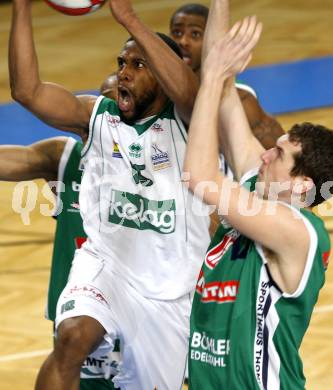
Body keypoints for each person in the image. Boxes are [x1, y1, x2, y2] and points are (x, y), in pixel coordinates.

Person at [9, 0, 210, 389]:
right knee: (72, 338)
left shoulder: (190, 122)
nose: (123, 74)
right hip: (106, 264)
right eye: (121, 63)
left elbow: (189, 91)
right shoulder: (97, 116)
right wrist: (21, 7)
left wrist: (129, 18)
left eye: (138, 65)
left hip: (168, 289)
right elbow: (27, 91)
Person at [183, 2, 333, 388]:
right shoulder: (258, 192)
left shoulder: (298, 230)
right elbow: (225, 89)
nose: (264, 154)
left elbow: (201, 179)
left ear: (302, 184)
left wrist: (209, 80)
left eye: (279, 154)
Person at [0, 74, 119, 389]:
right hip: (78, 308)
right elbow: (11, 160)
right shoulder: (66, 157)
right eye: (98, 104)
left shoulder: (158, 163)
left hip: (133, 308)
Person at [169, 3, 284, 150]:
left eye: (195, 34)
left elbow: (283, 157)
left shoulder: (241, 101)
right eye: (177, 33)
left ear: (212, 41)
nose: (183, 41)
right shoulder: (156, 88)